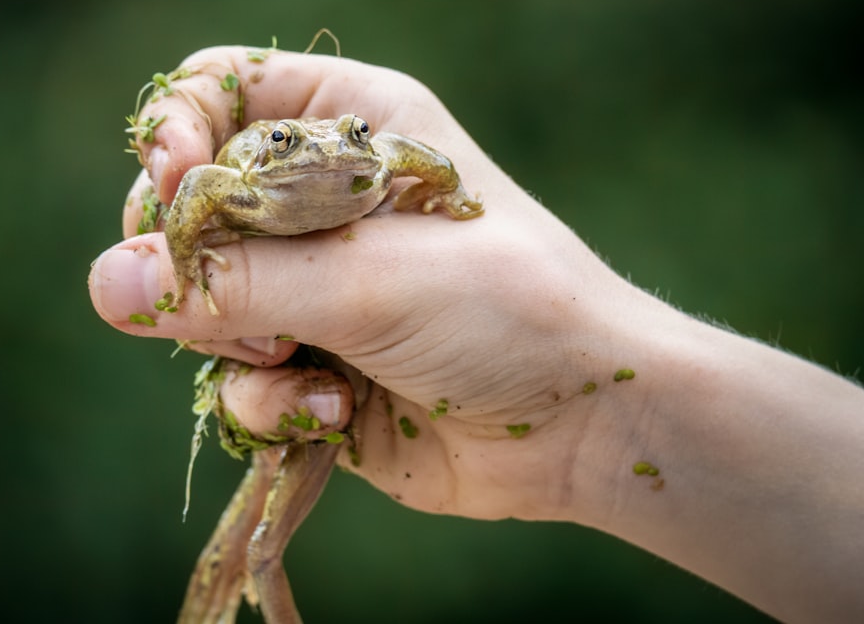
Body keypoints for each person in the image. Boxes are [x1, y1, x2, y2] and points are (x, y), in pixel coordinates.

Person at [88, 46, 864, 624]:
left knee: (283, 485)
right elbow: (195, 185)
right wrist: (187, 258)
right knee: (278, 487)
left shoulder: (370, 158)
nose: (330, 153)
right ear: (267, 152)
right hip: (315, 348)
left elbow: (418, 159)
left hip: (359, 370)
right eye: (298, 143)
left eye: (349, 137)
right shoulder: (246, 177)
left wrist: (452, 198)